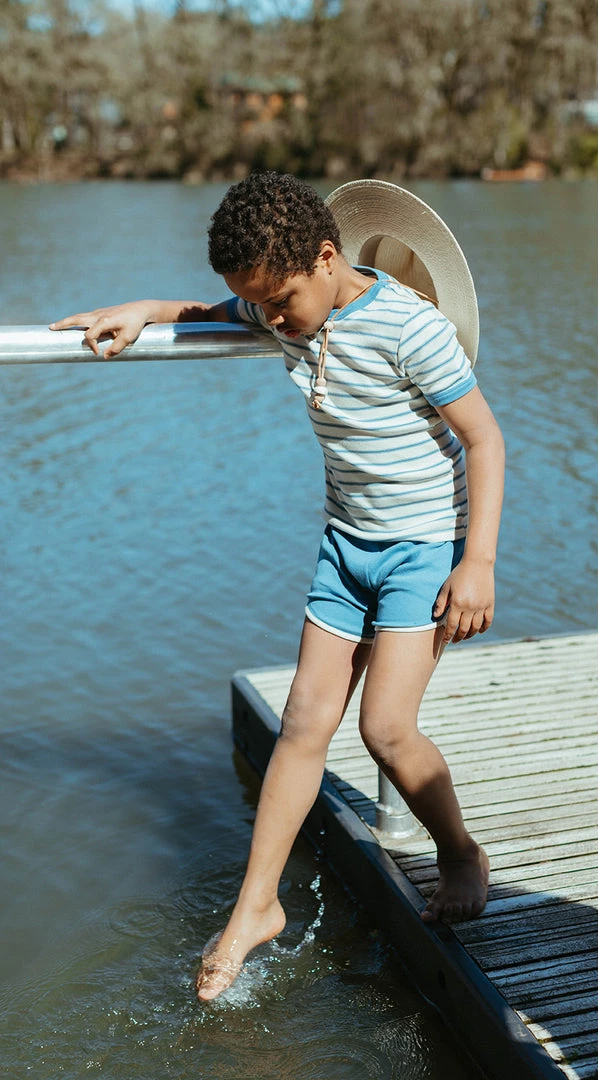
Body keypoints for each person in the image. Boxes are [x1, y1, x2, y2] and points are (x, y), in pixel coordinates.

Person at [50, 171, 504, 1003]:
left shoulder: (411, 326)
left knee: (385, 728)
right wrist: (143, 310)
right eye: (260, 305)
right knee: (301, 722)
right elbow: (208, 311)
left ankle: (460, 853)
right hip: (346, 544)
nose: (273, 321)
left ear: (327, 258)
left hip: (423, 549)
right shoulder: (282, 306)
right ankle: (255, 906)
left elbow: (484, 439)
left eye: (282, 301)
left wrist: (477, 563)